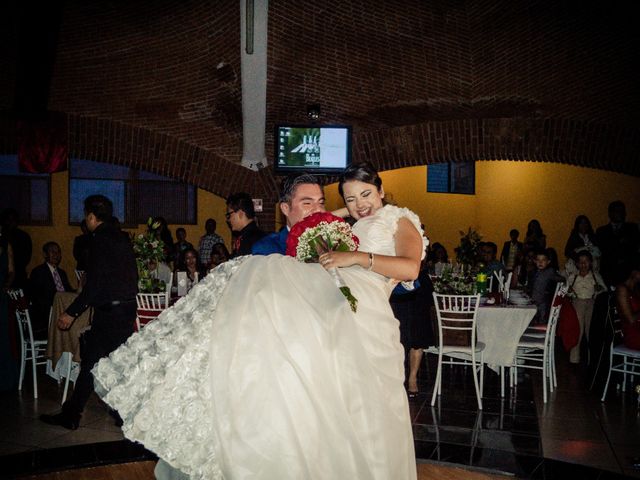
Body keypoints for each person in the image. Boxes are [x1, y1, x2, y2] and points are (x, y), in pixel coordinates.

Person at [92, 163, 425, 479]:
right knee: (335, 400)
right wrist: (325, 217)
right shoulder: (351, 220)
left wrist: (354, 256)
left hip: (365, 306)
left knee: (367, 410)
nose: (359, 205)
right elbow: (321, 218)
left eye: (366, 194)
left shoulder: (400, 218)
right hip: (344, 305)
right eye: (350, 199)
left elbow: (410, 268)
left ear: (381, 190)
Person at [40, 195, 138, 430]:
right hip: (125, 310)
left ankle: (80, 415)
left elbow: (95, 284)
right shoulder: (121, 238)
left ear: (92, 217)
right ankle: (102, 413)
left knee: (95, 364)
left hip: (110, 314)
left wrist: (71, 313)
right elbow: (132, 277)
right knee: (102, 363)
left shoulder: (98, 239)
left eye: (86, 216)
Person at [390, 256, 434, 398]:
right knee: (399, 340)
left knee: (418, 338)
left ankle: (412, 379)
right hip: (399, 289)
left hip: (418, 288)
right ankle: (397, 379)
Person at [252, 173, 325, 255]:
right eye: (307, 203)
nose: (319, 210)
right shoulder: (267, 249)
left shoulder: (332, 243)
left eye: (321, 203)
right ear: (285, 208)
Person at [565, 251, 607, 363]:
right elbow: (566, 290)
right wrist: (569, 292)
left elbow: (604, 289)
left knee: (591, 331)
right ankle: (574, 358)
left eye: (586, 261)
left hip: (591, 303)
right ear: (577, 264)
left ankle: (592, 359)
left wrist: (599, 289)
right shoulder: (573, 277)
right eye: (581, 262)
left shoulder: (595, 276)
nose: (583, 264)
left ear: (591, 263)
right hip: (577, 303)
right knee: (577, 330)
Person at [27, 242, 74, 339]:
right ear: (45, 254)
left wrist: (80, 288)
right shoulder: (38, 272)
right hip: (47, 314)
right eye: (52, 252)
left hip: (63, 311)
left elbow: (68, 292)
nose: (56, 255)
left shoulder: (62, 273)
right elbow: (38, 298)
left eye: (58, 252)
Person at [596, 201, 640, 287]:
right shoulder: (601, 231)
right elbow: (605, 249)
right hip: (610, 269)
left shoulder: (632, 228)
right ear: (610, 213)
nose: (620, 213)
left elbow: (633, 247)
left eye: (622, 211)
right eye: (617, 211)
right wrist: (621, 242)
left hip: (629, 268)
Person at [0, 232, 18, 391]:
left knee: (3, 336)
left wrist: (6, 285)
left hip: (1, 295)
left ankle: (5, 380)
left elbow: (12, 271)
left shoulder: (6, 245)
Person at [528, 248, 564, 323]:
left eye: (543, 260)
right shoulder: (534, 271)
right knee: (531, 318)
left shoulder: (549, 272)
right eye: (538, 260)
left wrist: (564, 280)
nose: (540, 262)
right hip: (533, 301)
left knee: (542, 318)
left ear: (548, 262)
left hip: (543, 302)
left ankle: (542, 330)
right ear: (535, 261)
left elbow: (559, 278)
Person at [225, 192, 266, 257]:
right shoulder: (252, 236)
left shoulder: (249, 240)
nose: (228, 220)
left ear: (240, 214)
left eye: (229, 215)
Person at [0, 208, 32, 288]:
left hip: (19, 277)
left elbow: (25, 258)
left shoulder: (23, 236)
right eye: (8, 219)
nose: (10, 222)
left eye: (13, 220)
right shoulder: (1, 236)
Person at [615, 257, 640, 351]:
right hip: (632, 333)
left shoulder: (636, 290)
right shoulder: (622, 289)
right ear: (634, 273)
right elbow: (630, 319)